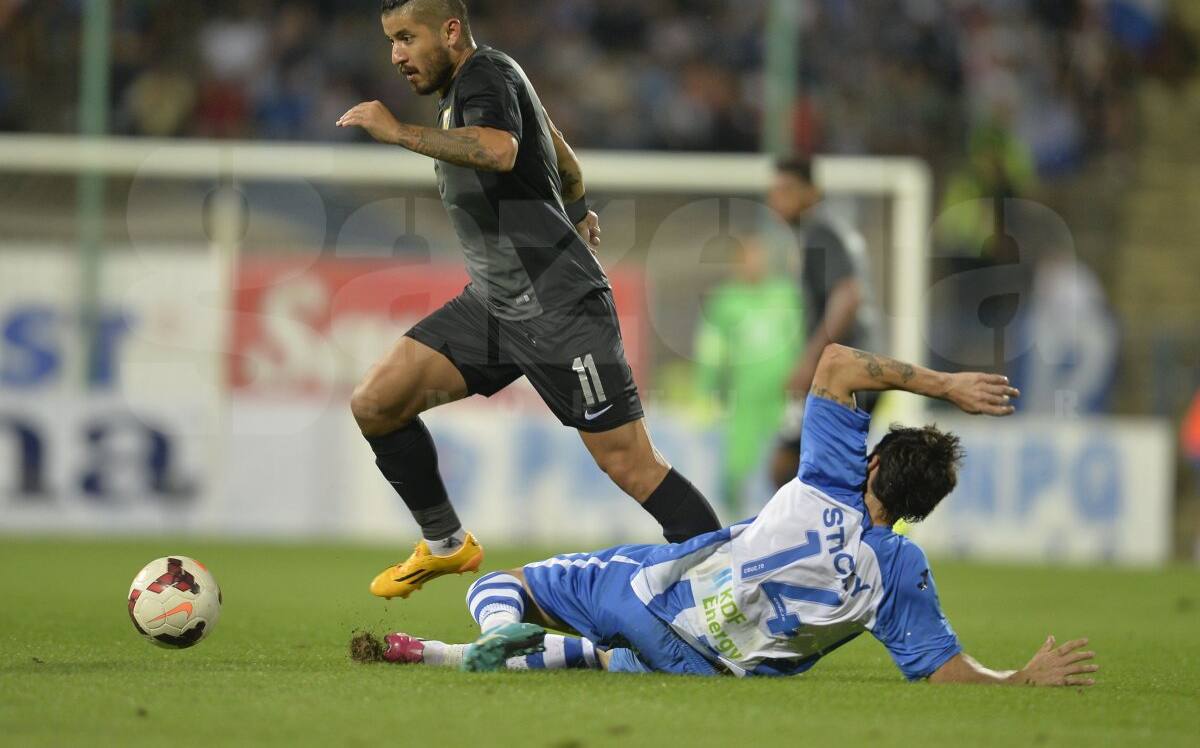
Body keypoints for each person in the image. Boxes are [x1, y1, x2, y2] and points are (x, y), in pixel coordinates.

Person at [378, 344, 1099, 687]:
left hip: (658, 597)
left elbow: (838, 363)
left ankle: (495, 631)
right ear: (925, 508)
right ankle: (432, 655)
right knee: (604, 662)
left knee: (505, 585)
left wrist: (946, 385)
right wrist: (1020, 679)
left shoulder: (829, 479)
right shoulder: (897, 573)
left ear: (873, 463)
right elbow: (943, 670)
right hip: (704, 668)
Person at [334, 0, 720, 599]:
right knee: (377, 402)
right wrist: (578, 208)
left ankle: (731, 588)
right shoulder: (481, 83)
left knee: (630, 463)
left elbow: (501, 150)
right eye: (391, 42)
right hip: (494, 306)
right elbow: (559, 151)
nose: (397, 55)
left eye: (407, 38)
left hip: (558, 306)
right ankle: (446, 544)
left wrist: (397, 132)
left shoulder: (483, 75)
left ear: (450, 31)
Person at [766, 158, 883, 490]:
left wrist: (809, 364)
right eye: (775, 190)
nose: (778, 198)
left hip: (847, 370)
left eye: (788, 189)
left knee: (790, 468)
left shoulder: (821, 230)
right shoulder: (827, 230)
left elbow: (849, 295)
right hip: (858, 368)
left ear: (812, 193)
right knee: (818, 472)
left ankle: (863, 518)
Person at [692, 235, 803, 516]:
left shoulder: (785, 294)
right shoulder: (724, 300)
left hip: (784, 395)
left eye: (758, 256)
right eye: (747, 258)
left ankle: (790, 518)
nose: (753, 263)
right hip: (745, 396)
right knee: (737, 461)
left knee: (790, 458)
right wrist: (707, 388)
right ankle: (733, 520)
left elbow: (802, 339)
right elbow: (712, 348)